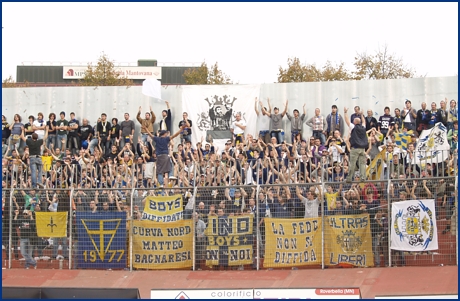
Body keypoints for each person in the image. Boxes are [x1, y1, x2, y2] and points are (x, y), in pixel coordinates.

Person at [344, 107, 368, 183]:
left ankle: (349, 178)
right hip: (362, 148)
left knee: (352, 164)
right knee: (362, 164)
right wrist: (362, 115)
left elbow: (347, 121)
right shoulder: (363, 127)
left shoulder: (353, 127)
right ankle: (363, 177)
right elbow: (364, 122)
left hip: (355, 148)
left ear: (354, 122)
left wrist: (345, 113)